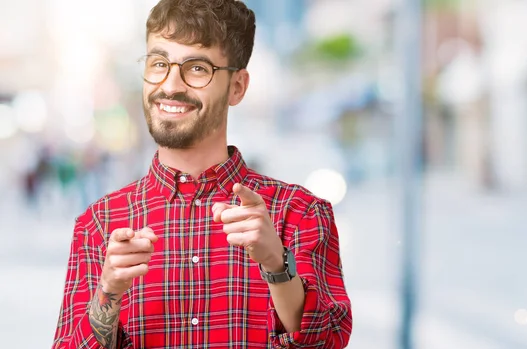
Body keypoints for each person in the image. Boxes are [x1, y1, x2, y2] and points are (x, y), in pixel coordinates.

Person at [52, 0, 352, 348]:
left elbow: (328, 341)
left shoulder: (301, 214)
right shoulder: (98, 224)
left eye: (197, 68)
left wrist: (276, 263)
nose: (171, 84)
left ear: (237, 86)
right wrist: (108, 291)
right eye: (160, 63)